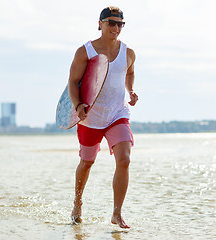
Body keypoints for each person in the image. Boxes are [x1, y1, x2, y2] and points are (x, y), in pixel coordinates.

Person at [68, 6, 138, 229]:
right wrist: (78, 105)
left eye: (120, 24)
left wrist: (131, 90)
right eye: (111, 22)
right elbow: (72, 82)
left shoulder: (128, 53)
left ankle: (116, 213)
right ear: (100, 23)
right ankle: (78, 203)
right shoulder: (85, 51)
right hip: (90, 117)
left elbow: (129, 72)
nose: (116, 27)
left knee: (124, 159)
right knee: (87, 163)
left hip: (117, 114)